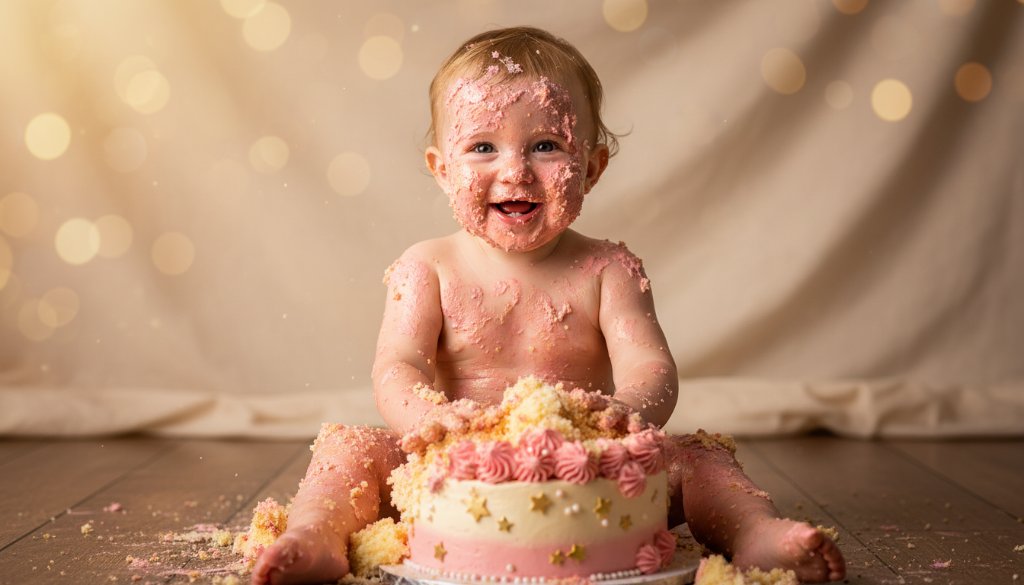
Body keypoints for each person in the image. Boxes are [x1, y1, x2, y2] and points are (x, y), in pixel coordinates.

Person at [251, 26, 846, 585]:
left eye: (545, 145)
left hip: (593, 471)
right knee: (350, 448)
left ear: (590, 168)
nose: (515, 170)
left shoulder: (608, 269)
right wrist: (421, 420)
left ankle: (756, 533)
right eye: (482, 146)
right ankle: (315, 535)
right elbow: (397, 363)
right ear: (440, 170)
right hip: (455, 468)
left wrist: (625, 414)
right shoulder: (426, 267)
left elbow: (651, 368)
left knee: (700, 457)